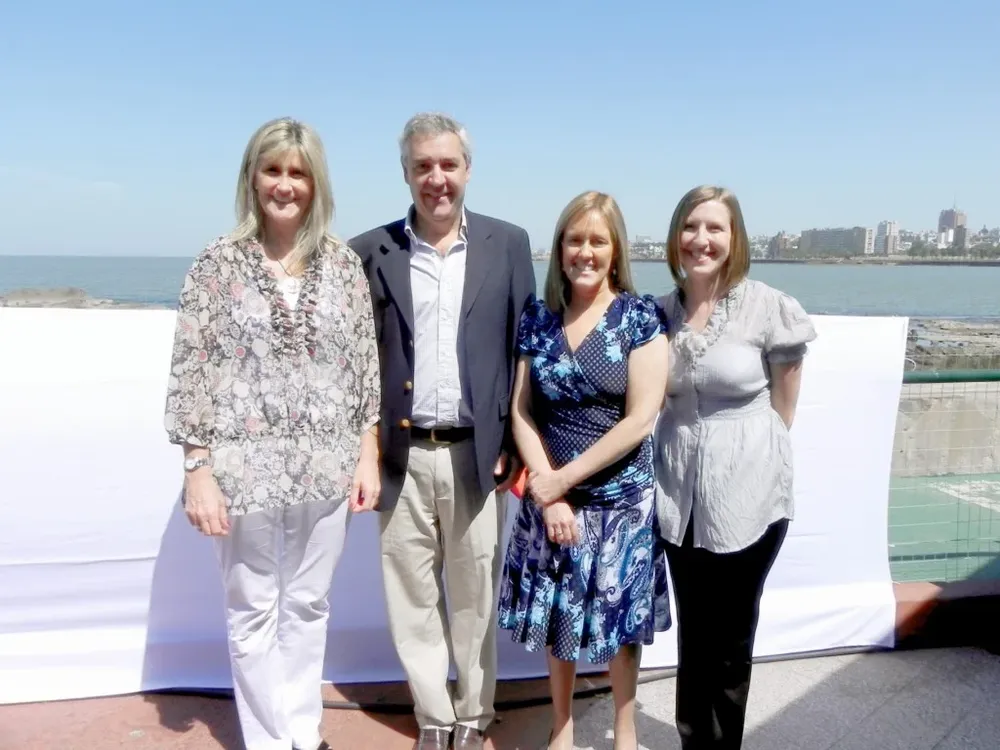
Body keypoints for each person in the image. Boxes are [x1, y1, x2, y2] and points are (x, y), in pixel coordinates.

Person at [164, 117, 381, 750]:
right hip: (241, 471)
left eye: (298, 172)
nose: (285, 185)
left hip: (328, 467)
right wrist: (197, 469)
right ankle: (267, 739)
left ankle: (304, 734)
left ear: (316, 184)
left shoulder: (342, 265)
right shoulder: (216, 264)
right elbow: (190, 370)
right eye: (273, 170)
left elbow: (364, 365)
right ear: (252, 177)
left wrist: (367, 454)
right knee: (253, 610)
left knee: (309, 605)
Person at [349, 112, 536, 750]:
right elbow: (359, 361)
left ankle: (475, 712)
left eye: (447, 164)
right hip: (402, 454)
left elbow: (522, 354)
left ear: (467, 170)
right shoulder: (369, 250)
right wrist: (365, 452)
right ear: (406, 172)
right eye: (422, 166)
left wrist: (514, 445)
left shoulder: (508, 244)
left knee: (474, 593)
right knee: (411, 594)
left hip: (477, 457)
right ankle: (434, 717)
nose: (436, 178)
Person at [497, 191, 672, 750]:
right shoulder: (539, 317)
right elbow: (522, 410)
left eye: (598, 240)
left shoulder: (639, 318)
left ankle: (625, 731)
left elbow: (641, 418)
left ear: (615, 248)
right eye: (575, 240)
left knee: (623, 628)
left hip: (620, 503)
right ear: (560, 249)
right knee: (559, 620)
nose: (586, 251)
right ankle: (563, 728)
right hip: (554, 502)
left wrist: (562, 481)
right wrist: (549, 496)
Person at [652, 185, 817, 749]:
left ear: (735, 237)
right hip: (677, 501)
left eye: (715, 228)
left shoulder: (768, 306)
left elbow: (783, 407)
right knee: (694, 637)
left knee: (729, 640)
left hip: (749, 498)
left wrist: (739, 461)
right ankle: (692, 740)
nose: (702, 239)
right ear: (676, 235)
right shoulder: (660, 312)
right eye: (691, 227)